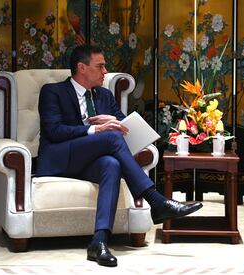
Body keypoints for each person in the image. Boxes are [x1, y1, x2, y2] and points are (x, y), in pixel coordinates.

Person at [36, 45, 203, 267]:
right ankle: (156, 201)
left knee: (112, 164)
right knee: (111, 138)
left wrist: (114, 123)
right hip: (59, 158)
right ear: (82, 68)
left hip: (90, 162)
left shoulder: (104, 96)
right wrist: (96, 129)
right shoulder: (52, 91)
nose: (105, 71)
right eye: (100, 66)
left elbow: (125, 128)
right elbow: (54, 131)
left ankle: (99, 241)